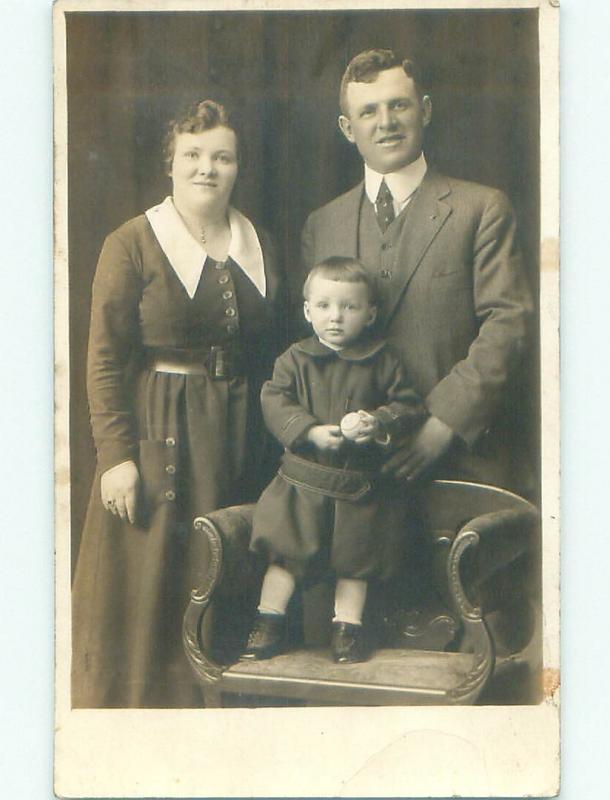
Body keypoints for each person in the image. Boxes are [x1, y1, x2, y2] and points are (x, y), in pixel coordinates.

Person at [71, 100, 284, 708]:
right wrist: (116, 456)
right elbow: (105, 359)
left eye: (221, 156)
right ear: (171, 163)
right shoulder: (133, 241)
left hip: (242, 437)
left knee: (228, 574)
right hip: (163, 436)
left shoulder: (257, 242)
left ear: (237, 166)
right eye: (192, 155)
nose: (207, 169)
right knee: (155, 588)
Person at [301, 49, 535, 496]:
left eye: (399, 105)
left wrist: (443, 423)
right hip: (356, 472)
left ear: (424, 110)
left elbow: (508, 325)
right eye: (369, 111)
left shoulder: (481, 209)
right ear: (348, 129)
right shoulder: (322, 225)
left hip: (462, 458)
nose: (385, 122)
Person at [243, 257, 426, 664]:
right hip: (302, 484)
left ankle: (347, 630)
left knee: (355, 562)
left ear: (370, 313)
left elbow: (408, 406)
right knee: (284, 557)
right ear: (308, 311)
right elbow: (274, 399)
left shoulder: (384, 361)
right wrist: (306, 431)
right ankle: (267, 623)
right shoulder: (294, 360)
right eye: (324, 306)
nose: (336, 318)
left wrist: (375, 422)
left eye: (350, 307)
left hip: (356, 488)